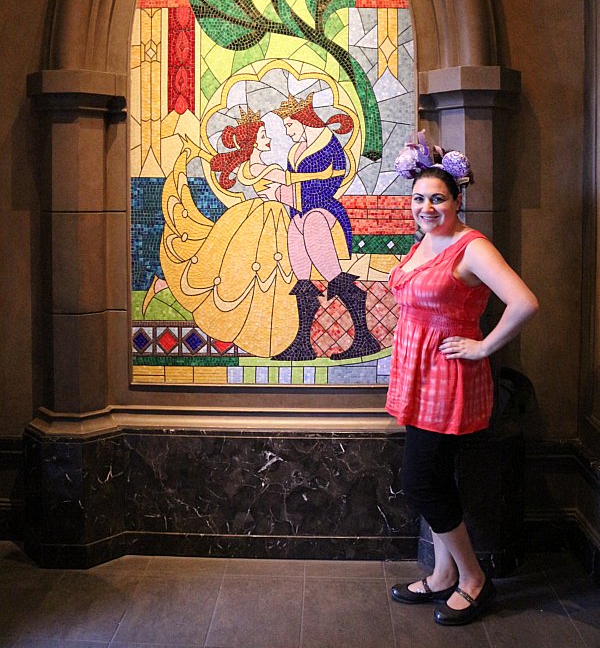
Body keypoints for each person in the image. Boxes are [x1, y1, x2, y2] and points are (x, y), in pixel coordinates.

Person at [387, 140, 538, 626]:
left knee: (421, 481)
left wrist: (481, 347)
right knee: (435, 478)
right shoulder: (425, 243)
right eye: (419, 199)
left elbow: (524, 302)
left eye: (438, 199)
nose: (427, 208)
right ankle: (441, 576)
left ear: (456, 202)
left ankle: (473, 579)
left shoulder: (472, 247)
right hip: (416, 374)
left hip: (446, 377)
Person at [153, 109, 298, 358]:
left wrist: (199, 152)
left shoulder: (251, 166)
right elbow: (290, 179)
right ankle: (262, 330)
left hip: (264, 216)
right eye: (263, 134)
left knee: (253, 274)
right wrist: (324, 174)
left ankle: (263, 328)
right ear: (252, 139)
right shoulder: (260, 167)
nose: (269, 139)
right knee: (252, 274)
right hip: (262, 218)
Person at [265, 92, 380, 361]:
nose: (288, 133)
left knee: (314, 226)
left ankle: (363, 336)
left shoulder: (329, 148)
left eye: (290, 126)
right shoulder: (297, 150)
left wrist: (282, 193)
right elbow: (297, 184)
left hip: (325, 211)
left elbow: (326, 189)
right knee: (297, 240)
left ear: (303, 122)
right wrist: (283, 192)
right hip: (299, 211)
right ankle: (303, 344)